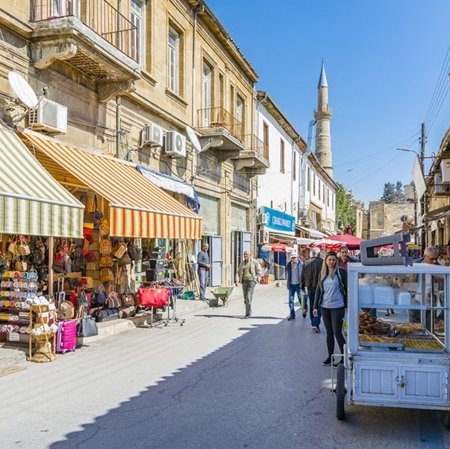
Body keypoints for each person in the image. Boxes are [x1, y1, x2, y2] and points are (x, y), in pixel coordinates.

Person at [313, 251, 348, 367]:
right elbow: (318, 290)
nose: (331, 262)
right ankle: (330, 357)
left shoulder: (341, 272)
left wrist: (347, 305)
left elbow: (347, 289)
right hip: (324, 307)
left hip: (338, 306)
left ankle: (344, 358)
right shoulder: (322, 273)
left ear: (336, 261)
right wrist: (315, 306)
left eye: (333, 260)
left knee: (337, 333)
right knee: (329, 333)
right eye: (329, 260)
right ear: (326, 261)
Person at [301, 247, 323, 333]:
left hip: (309, 287)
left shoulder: (306, 262)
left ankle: (313, 323)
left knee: (312, 305)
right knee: (319, 305)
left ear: (311, 254)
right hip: (319, 287)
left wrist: (302, 286)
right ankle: (316, 322)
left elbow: (302, 276)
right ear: (318, 254)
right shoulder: (322, 262)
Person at [235, 250, 261, 318]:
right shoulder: (242, 263)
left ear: (250, 255)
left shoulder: (254, 262)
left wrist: (258, 277)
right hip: (244, 281)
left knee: (248, 297)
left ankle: (247, 314)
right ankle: (249, 311)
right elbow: (238, 272)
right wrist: (237, 280)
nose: (245, 256)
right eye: (244, 254)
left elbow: (259, 270)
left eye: (246, 254)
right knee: (245, 298)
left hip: (251, 281)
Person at [286, 252, 303, 320]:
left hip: (299, 284)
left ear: (297, 257)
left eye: (294, 258)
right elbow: (287, 274)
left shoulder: (301, 264)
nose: (293, 259)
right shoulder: (289, 265)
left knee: (301, 299)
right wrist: (287, 283)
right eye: (292, 258)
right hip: (291, 284)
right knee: (290, 300)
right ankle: (292, 314)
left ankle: (304, 310)